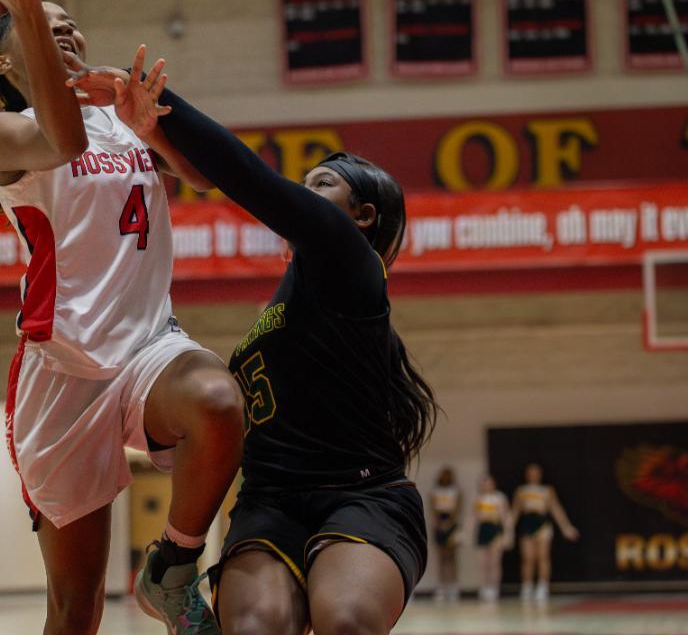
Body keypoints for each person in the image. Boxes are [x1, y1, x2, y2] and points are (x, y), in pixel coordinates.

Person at [69, 63, 437, 635]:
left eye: (320, 186)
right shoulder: (287, 299)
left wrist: (162, 106)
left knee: (345, 621)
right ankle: (174, 575)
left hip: (362, 495)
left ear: (362, 216)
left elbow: (245, 176)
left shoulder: (352, 262)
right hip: (270, 502)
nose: (302, 196)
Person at [0, 0, 245, 635]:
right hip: (61, 368)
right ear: (6, 61)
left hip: (149, 346)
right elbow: (65, 142)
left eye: (72, 25)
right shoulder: (6, 130)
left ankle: (172, 569)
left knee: (217, 400)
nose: (66, 33)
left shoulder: (123, 120)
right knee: (76, 602)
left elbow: (208, 178)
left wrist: (153, 129)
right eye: (44, 26)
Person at [510, 463, 578, 601]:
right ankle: (527, 586)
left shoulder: (547, 490)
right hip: (527, 523)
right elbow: (515, 511)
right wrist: (508, 530)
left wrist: (566, 527)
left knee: (543, 556)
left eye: (536, 472)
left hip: (542, 524)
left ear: (540, 474)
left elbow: (556, 509)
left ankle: (543, 586)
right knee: (528, 558)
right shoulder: (521, 491)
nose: (533, 474)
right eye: (531, 472)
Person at [473, 475, 511, 602]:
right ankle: (484, 587)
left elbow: (505, 517)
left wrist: (507, 535)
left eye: (489, 484)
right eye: (484, 484)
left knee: (494, 561)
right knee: (483, 562)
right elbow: (472, 517)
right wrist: (466, 533)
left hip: (495, 530)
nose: (486, 486)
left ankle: (494, 587)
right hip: (483, 530)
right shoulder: (478, 499)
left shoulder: (499, 498)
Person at [430, 466, 462, 602]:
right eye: (443, 474)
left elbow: (458, 508)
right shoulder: (435, 491)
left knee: (452, 556)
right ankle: (442, 587)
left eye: (448, 474)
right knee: (441, 557)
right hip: (439, 523)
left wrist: (449, 523)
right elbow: (432, 508)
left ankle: (453, 586)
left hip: (452, 524)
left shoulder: (456, 491)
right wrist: (439, 523)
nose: (445, 477)